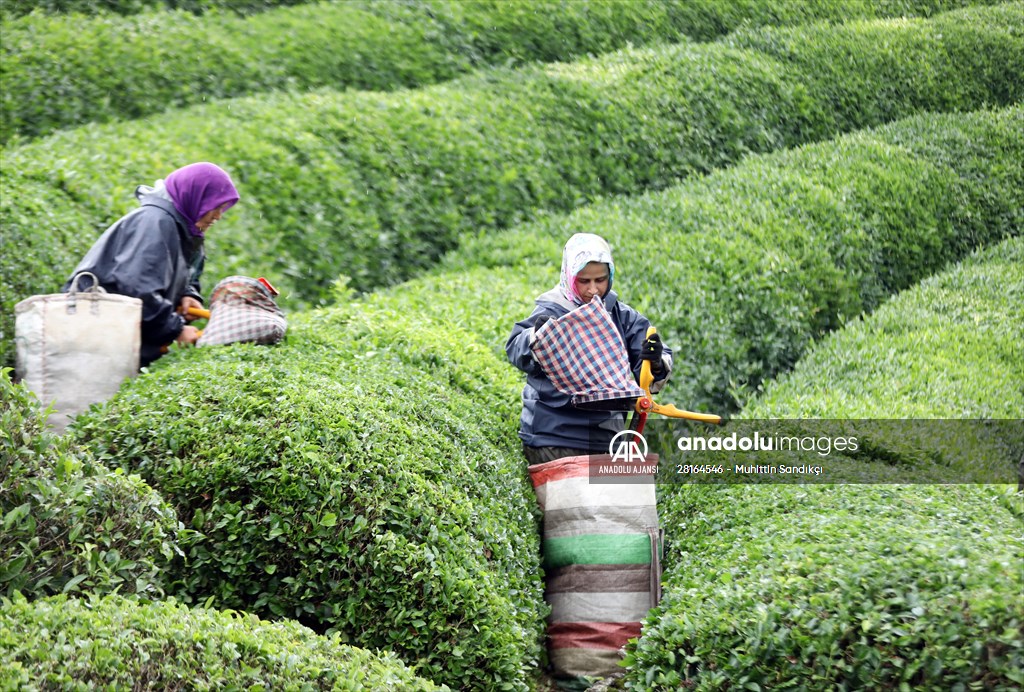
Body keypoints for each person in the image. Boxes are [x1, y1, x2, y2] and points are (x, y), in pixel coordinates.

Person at [506, 233, 673, 465]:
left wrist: (654, 360)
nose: (593, 290)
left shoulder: (622, 316)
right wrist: (537, 337)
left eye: (601, 280)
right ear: (569, 276)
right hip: (552, 436)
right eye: (584, 281)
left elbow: (651, 367)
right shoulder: (554, 311)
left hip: (605, 438)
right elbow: (515, 347)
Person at [62, 162, 240, 367]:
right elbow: (137, 289)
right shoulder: (155, 222)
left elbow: (176, 272)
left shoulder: (180, 226)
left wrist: (187, 295)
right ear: (196, 196)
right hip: (94, 332)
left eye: (222, 209)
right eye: (214, 207)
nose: (218, 216)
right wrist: (175, 330)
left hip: (115, 334)